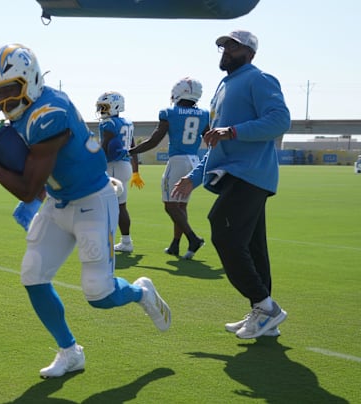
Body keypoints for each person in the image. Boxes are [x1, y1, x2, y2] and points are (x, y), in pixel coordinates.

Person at [0, 44, 171, 378]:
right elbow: (40, 183)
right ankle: (70, 351)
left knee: (99, 293)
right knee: (33, 275)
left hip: (92, 200)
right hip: (58, 200)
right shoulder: (28, 113)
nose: (3, 102)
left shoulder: (48, 113)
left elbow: (26, 189)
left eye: (10, 90)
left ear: (31, 80)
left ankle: (141, 292)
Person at [172, 30, 291, 339]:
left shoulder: (259, 79)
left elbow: (280, 120)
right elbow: (217, 146)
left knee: (223, 232)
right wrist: (193, 178)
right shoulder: (223, 86)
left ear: (249, 52)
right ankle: (264, 316)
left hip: (250, 174)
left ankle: (266, 307)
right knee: (253, 246)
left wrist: (232, 131)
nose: (225, 50)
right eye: (223, 46)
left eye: (232, 46)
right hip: (232, 175)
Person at [129, 78, 209, 259]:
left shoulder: (169, 112)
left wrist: (131, 151)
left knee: (170, 206)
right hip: (194, 160)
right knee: (181, 205)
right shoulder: (204, 114)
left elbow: (154, 140)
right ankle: (175, 244)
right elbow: (210, 138)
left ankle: (193, 238)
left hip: (177, 161)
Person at [96, 91, 145, 253]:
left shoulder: (108, 124)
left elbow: (104, 148)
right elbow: (133, 148)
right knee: (121, 206)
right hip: (125, 166)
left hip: (113, 166)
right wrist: (136, 171)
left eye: (104, 107)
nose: (102, 110)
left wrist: (93, 166)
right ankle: (126, 242)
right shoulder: (127, 123)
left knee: (106, 206)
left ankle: (106, 242)